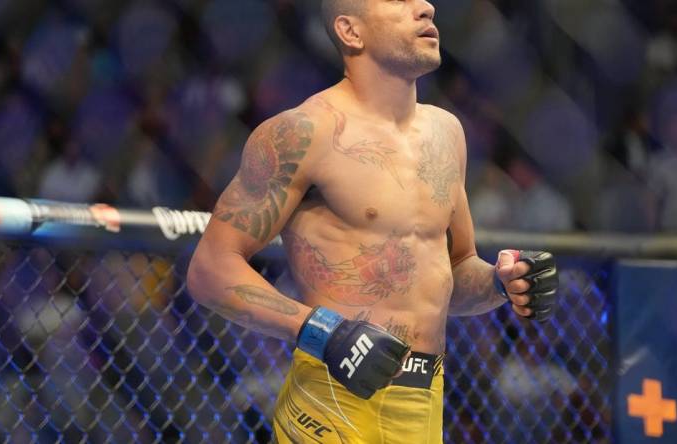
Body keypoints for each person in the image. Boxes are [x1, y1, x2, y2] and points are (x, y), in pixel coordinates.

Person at [186, 1, 559, 442]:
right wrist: (321, 331)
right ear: (351, 31)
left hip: (424, 401)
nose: (425, 7)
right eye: (398, 1)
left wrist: (502, 281)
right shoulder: (305, 132)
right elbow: (209, 269)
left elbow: (452, 273)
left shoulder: (447, 134)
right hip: (333, 399)